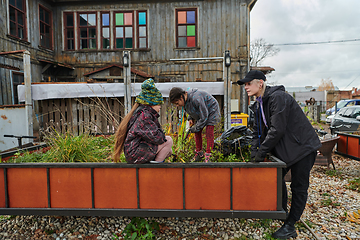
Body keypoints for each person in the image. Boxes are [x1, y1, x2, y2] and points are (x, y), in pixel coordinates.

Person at [236, 70, 321, 239]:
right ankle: (282, 211)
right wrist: (254, 152)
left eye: (248, 83)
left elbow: (277, 130)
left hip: (302, 148)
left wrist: (262, 152)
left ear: (260, 83)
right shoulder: (259, 103)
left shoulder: (277, 98)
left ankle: (290, 225)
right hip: (288, 149)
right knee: (275, 178)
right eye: (244, 84)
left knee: (298, 187)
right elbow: (257, 132)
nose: (245, 87)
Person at [113, 78, 173, 164]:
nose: (160, 107)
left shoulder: (142, 113)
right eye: (159, 104)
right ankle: (156, 169)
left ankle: (153, 163)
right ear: (152, 104)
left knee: (168, 150)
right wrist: (162, 134)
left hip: (135, 152)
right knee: (169, 140)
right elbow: (157, 137)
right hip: (135, 153)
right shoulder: (145, 116)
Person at [169, 87, 220, 162]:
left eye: (177, 103)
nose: (177, 105)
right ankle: (199, 153)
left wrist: (195, 127)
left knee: (209, 131)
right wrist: (190, 118)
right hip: (202, 112)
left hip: (211, 110)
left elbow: (204, 116)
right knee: (197, 131)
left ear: (181, 97)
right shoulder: (186, 100)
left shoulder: (196, 98)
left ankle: (209, 155)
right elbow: (192, 109)